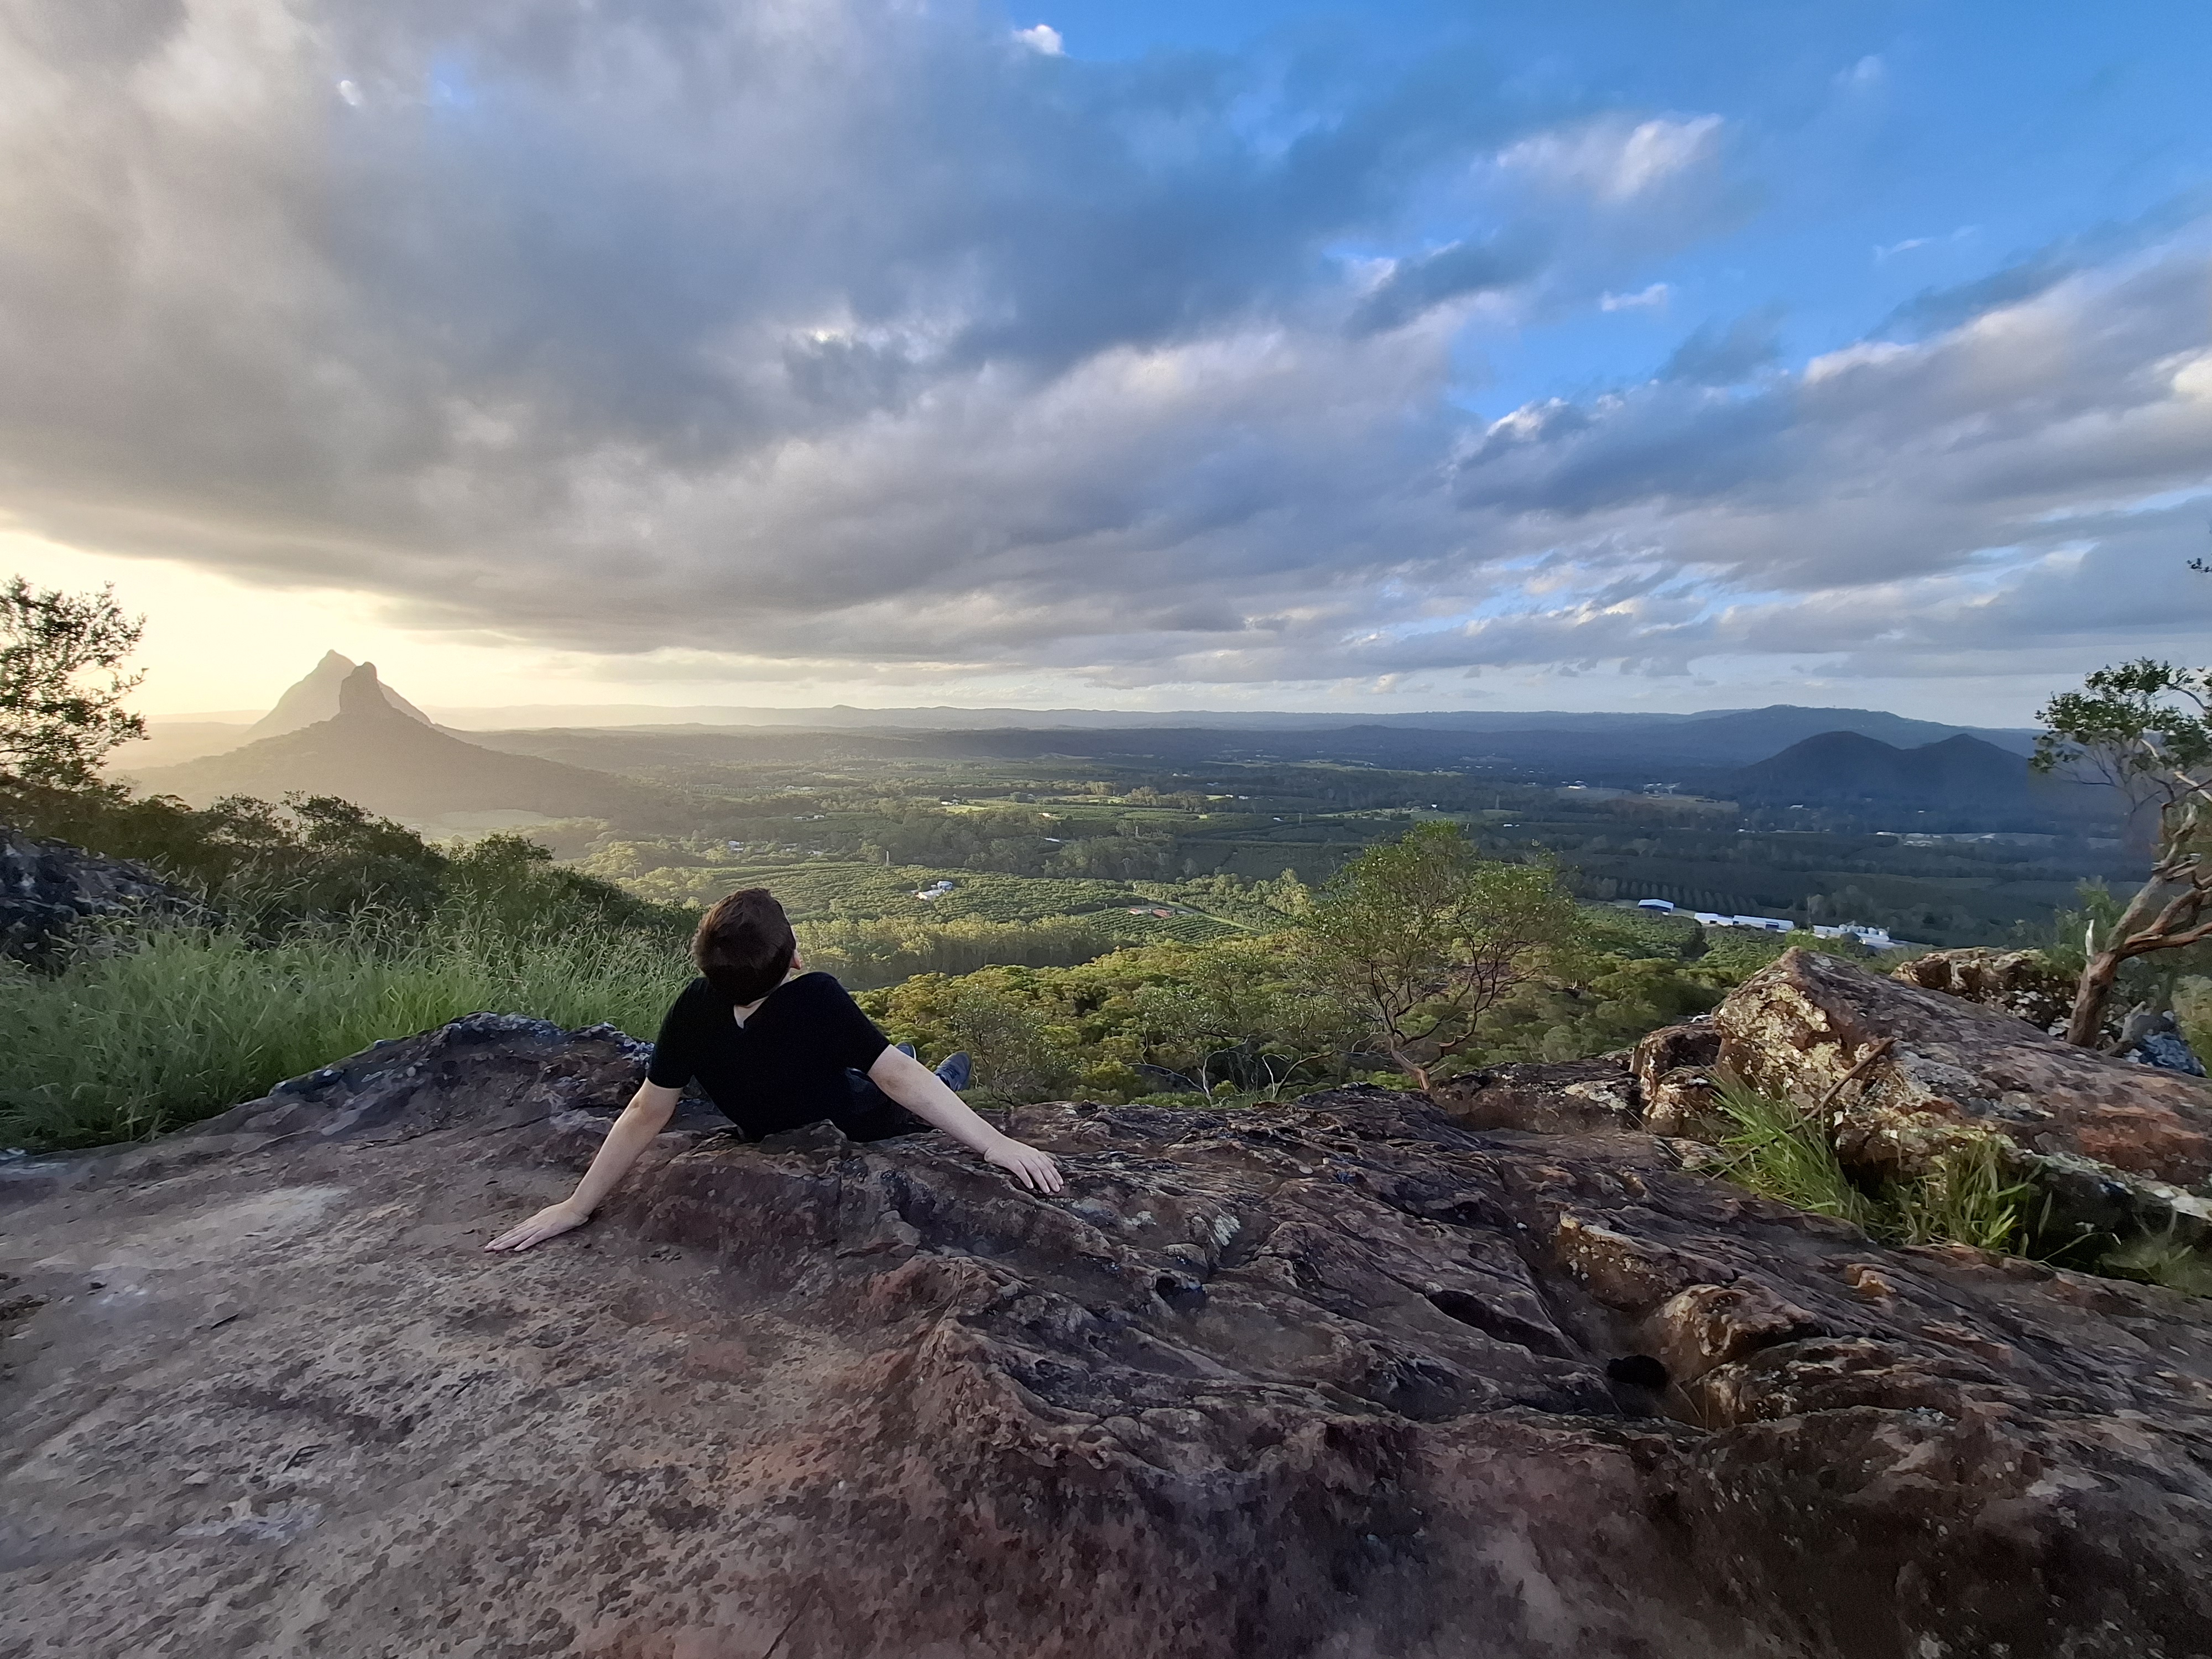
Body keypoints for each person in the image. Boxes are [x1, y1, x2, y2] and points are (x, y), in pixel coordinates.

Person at [485, 887, 1063, 1252]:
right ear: (793, 956)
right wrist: (994, 1144)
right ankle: (945, 1074)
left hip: (764, 1126)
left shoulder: (693, 1004)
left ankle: (913, 1058)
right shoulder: (817, 995)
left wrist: (577, 1205)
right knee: (907, 1073)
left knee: (884, 1063)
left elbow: (647, 1111)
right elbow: (894, 1083)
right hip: (857, 1121)